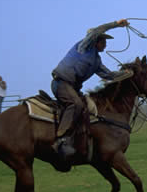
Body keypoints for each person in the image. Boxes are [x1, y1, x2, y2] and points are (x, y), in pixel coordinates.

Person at [51, 18, 129, 159]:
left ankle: (81, 142)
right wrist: (116, 24)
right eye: (103, 41)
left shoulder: (97, 61)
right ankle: (61, 140)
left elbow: (109, 75)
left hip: (72, 88)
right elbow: (98, 30)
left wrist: (127, 74)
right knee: (76, 104)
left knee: (88, 108)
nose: (105, 44)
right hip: (61, 83)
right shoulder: (84, 46)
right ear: (95, 41)